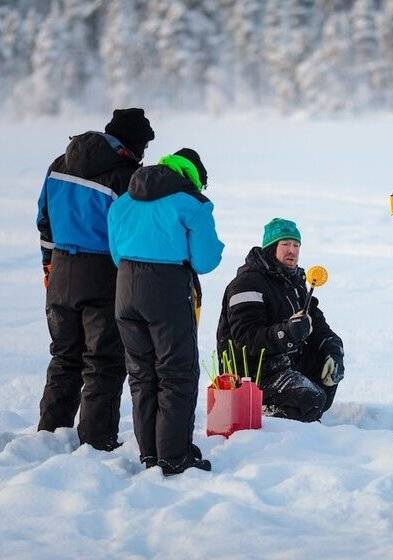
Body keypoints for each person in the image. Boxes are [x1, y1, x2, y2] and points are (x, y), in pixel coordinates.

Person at [36, 108, 154, 450]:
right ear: (133, 144)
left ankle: (49, 433)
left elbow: (44, 218)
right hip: (103, 275)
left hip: (59, 271)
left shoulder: (59, 163)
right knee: (102, 361)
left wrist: (48, 264)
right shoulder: (127, 177)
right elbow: (130, 237)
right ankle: (96, 441)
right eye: (144, 145)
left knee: (64, 356)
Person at [108, 148, 224, 474]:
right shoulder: (192, 203)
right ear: (194, 177)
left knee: (142, 373)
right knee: (177, 373)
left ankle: (151, 453)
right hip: (167, 290)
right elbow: (205, 260)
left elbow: (116, 253)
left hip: (125, 289)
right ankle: (174, 456)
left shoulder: (124, 200)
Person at [216, 218, 344, 423]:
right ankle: (263, 416)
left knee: (325, 379)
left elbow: (320, 327)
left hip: (285, 364)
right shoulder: (247, 283)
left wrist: (333, 350)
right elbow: (245, 339)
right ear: (270, 248)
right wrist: (287, 332)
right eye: (285, 244)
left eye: (296, 245)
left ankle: (300, 416)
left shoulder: (296, 284)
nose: (291, 250)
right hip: (251, 373)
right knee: (310, 399)